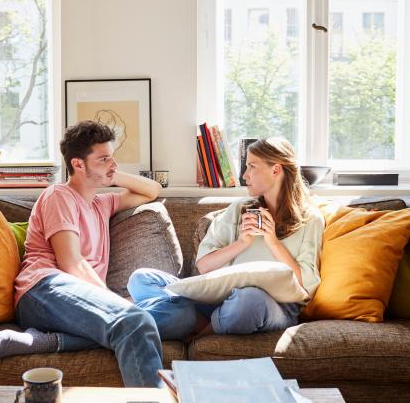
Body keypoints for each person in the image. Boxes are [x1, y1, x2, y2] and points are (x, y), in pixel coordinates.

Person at [0, 120, 164, 388]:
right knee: (135, 323)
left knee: (175, 317)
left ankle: (47, 341)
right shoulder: (58, 196)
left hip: (73, 298)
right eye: (103, 158)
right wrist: (115, 302)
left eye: (112, 157)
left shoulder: (103, 203)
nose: (112, 164)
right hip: (42, 290)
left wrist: (109, 172)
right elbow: (71, 263)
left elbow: (153, 190)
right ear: (78, 164)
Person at [127, 136, 324, 339]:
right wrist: (241, 243)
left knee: (248, 300)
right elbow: (204, 266)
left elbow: (305, 287)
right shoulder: (239, 209)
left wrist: (273, 242)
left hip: (271, 305)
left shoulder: (310, 219)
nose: (245, 175)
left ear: (275, 170)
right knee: (141, 278)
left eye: (251, 166)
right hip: (218, 299)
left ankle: (189, 326)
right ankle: (190, 317)